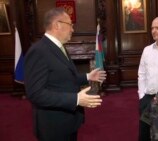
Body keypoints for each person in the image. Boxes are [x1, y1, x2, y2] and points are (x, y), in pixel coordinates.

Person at [24, 8, 106, 141]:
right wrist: (76, 100)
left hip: (67, 122)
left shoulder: (59, 47)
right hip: (53, 126)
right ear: (57, 25)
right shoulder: (38, 51)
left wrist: (87, 76)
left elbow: (63, 77)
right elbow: (35, 94)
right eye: (70, 25)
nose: (73, 29)